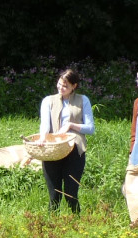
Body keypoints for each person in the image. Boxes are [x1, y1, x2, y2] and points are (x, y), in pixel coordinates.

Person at [38, 68, 95, 213]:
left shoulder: (83, 100)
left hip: (75, 150)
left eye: (65, 86)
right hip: (53, 150)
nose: (61, 88)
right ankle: (51, 227)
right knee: (54, 195)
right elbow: (45, 125)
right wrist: (43, 137)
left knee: (71, 194)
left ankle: (76, 223)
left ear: (74, 86)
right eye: (59, 84)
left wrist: (70, 125)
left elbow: (90, 128)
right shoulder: (48, 101)